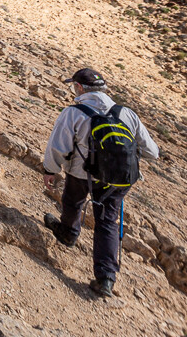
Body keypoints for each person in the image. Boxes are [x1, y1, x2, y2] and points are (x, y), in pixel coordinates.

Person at [41, 68, 160, 298]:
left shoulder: (74, 113)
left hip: (82, 173)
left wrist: (50, 170)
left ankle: (68, 233)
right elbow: (152, 152)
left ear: (79, 88)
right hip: (118, 179)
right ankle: (105, 279)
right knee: (107, 223)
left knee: (73, 200)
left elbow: (59, 146)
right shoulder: (126, 113)